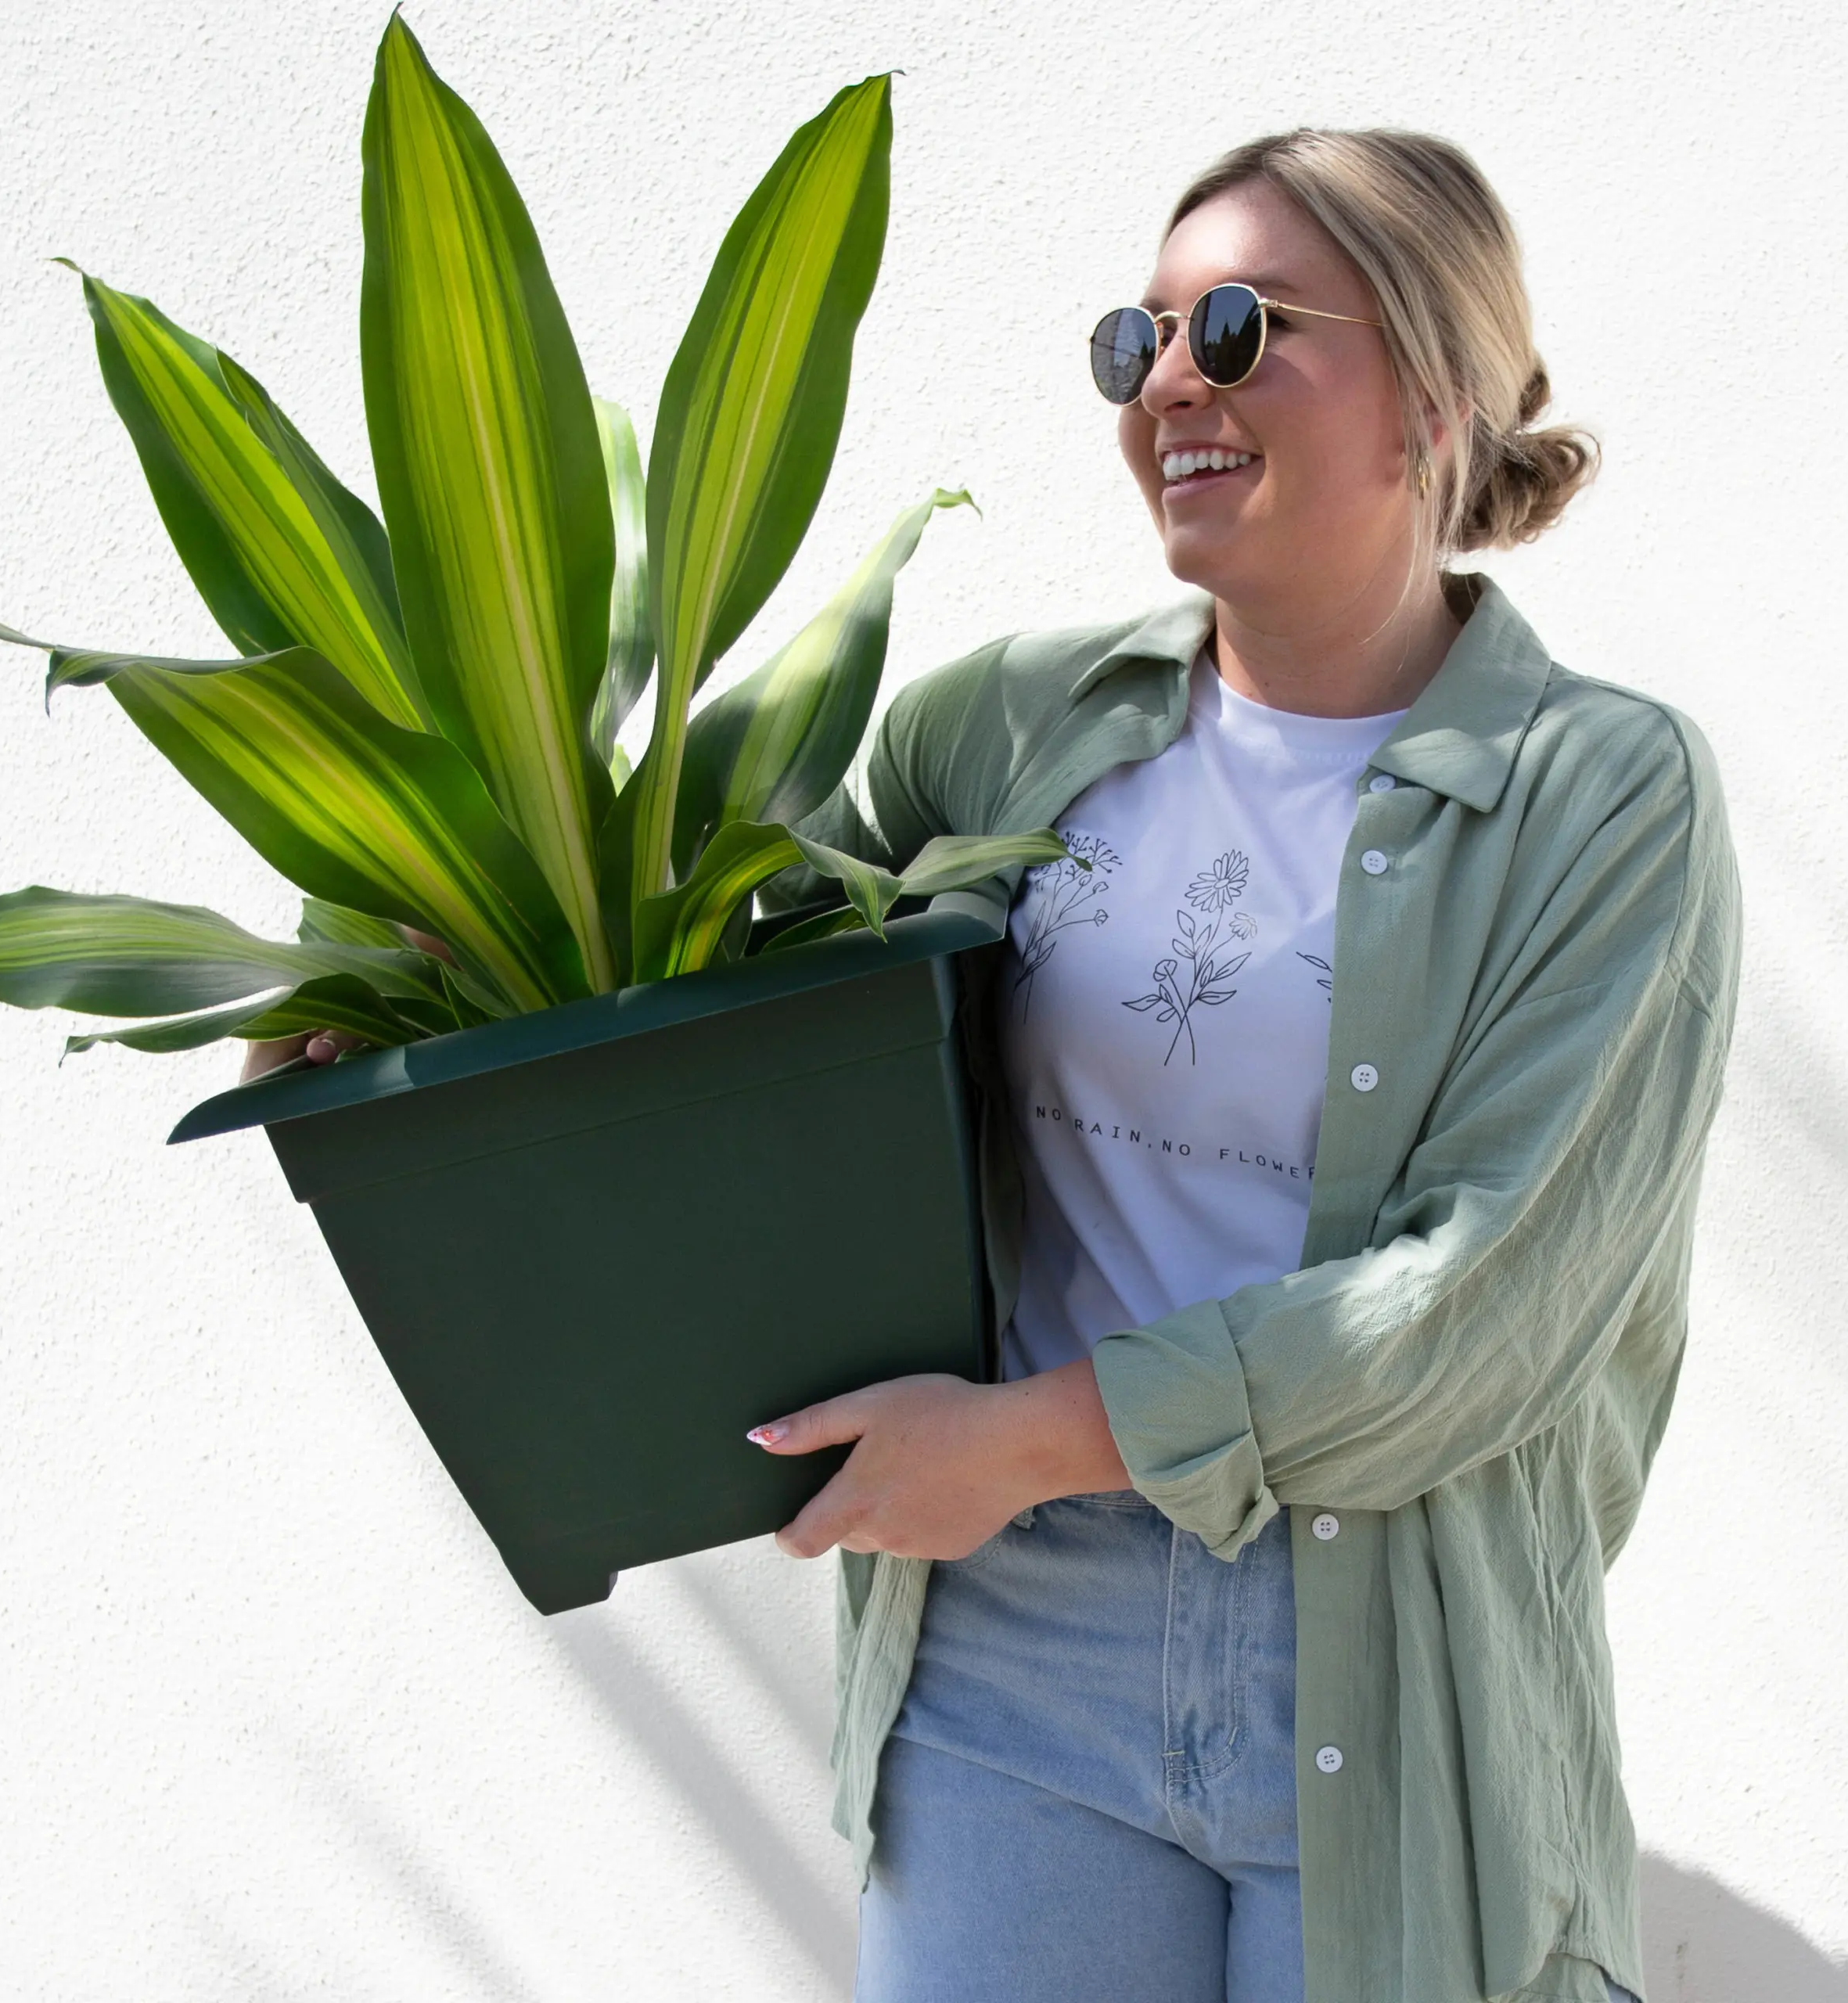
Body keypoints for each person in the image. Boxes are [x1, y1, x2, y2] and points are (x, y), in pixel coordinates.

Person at [740, 129, 1740, 2003]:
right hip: (1009, 1646)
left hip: (1384, 1656)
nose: (1170, 383)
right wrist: (417, 995)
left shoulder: (1600, 795)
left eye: (1236, 324)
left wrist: (1018, 1442)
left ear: (1431, 388)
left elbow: (1478, 1308)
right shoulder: (1005, 725)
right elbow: (737, 1000)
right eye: (1138, 341)